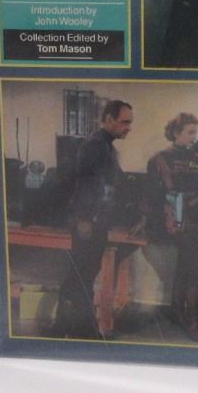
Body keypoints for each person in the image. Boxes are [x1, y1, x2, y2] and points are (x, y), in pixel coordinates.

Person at [57, 99, 133, 340]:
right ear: (109, 119)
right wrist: (84, 218)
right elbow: (86, 184)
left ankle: (70, 329)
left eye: (130, 123)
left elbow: (112, 183)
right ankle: (73, 331)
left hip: (97, 220)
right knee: (81, 274)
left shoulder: (106, 147)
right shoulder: (95, 146)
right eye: (125, 122)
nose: (128, 128)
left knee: (85, 274)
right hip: (89, 221)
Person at [146, 112, 198, 342]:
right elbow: (154, 195)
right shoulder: (160, 159)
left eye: (195, 132)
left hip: (195, 221)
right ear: (176, 133)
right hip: (174, 221)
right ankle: (192, 322)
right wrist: (145, 219)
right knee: (197, 267)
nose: (194, 137)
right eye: (190, 132)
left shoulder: (195, 157)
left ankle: (178, 311)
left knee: (187, 265)